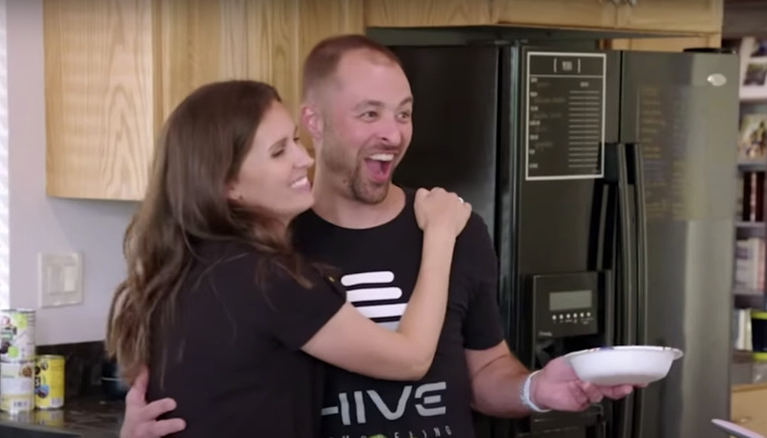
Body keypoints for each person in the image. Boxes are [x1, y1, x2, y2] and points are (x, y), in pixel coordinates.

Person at [119, 35, 637, 438]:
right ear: (314, 122)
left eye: (404, 113)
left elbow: (485, 369)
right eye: (369, 114)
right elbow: (183, 386)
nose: (393, 133)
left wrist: (536, 389)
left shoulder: (457, 225)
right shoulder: (267, 250)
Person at [105, 79, 474, 438]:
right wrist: (440, 234)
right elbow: (410, 358)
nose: (305, 158)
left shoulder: (188, 266)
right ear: (227, 184)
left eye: (295, 140)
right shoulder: (265, 279)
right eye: (279, 151)